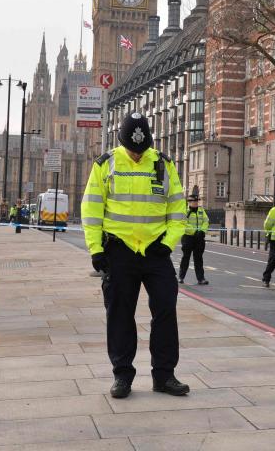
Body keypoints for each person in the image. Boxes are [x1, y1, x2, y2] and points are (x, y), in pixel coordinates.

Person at [81, 112, 190, 399]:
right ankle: (122, 376)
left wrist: (167, 244)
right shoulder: (106, 164)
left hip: (156, 251)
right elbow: (91, 209)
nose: (137, 154)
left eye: (141, 149)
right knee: (120, 315)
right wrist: (96, 249)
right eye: (132, 149)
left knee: (166, 311)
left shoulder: (163, 164)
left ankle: (164, 376)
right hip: (119, 251)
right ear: (123, 142)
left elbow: (178, 210)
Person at [179, 194, 209, 285]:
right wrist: (194, 231)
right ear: (189, 202)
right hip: (188, 238)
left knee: (199, 259)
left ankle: (201, 279)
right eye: (194, 201)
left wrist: (203, 231)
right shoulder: (184, 211)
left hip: (199, 238)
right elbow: (183, 223)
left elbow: (206, 221)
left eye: (197, 201)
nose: (196, 203)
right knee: (186, 258)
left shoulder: (201, 210)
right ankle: (181, 277)